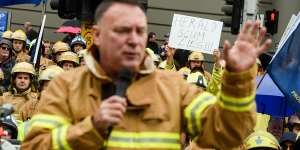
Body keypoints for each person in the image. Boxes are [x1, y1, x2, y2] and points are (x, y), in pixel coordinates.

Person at [22, 0, 271, 149]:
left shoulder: (173, 87)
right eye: (122, 31)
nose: (133, 40)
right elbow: (34, 146)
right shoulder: (65, 87)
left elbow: (228, 133)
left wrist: (237, 78)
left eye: (140, 31)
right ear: (96, 35)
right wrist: (91, 127)